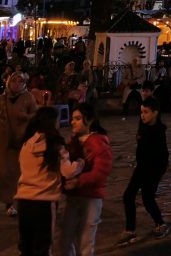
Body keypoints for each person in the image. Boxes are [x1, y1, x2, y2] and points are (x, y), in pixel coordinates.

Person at [14, 106, 83, 256]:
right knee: (43, 247)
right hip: (44, 202)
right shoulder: (55, 145)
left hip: (24, 201)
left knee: (26, 246)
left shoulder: (27, 144)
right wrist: (80, 163)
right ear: (52, 122)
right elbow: (68, 171)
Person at [0, 73, 38, 215]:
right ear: (8, 82)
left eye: (20, 81)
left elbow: (36, 117)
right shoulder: (1, 99)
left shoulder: (28, 98)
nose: (17, 84)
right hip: (1, 142)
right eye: (14, 81)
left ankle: (11, 203)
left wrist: (25, 117)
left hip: (19, 142)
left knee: (14, 174)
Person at [60, 103, 113, 256]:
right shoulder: (73, 141)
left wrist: (78, 181)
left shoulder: (98, 142)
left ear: (88, 121)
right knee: (66, 239)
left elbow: (101, 172)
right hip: (74, 197)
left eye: (77, 118)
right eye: (72, 119)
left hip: (91, 198)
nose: (72, 122)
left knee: (85, 242)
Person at [116, 97, 169, 245]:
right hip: (141, 167)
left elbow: (163, 156)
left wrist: (157, 172)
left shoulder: (159, 132)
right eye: (141, 112)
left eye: (146, 112)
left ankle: (160, 223)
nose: (142, 115)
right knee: (128, 196)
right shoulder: (143, 126)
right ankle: (130, 229)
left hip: (154, 169)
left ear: (155, 113)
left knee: (147, 198)